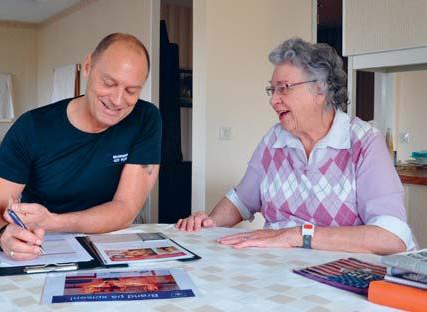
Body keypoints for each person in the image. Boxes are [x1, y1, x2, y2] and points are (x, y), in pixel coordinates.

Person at [176, 38, 416, 255]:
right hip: (280, 271)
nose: (273, 99)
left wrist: (296, 235)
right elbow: (242, 200)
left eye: (284, 88)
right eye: (272, 90)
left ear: (320, 90)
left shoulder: (363, 142)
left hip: (339, 275)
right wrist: (209, 223)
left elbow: (392, 236)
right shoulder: (274, 139)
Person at [0, 33, 161, 260]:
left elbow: (125, 209)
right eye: (109, 83)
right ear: (88, 66)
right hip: (40, 247)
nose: (118, 100)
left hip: (111, 246)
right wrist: (2, 236)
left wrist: (54, 221)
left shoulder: (145, 119)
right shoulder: (33, 128)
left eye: (131, 91)